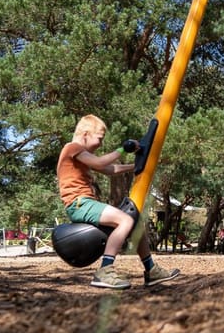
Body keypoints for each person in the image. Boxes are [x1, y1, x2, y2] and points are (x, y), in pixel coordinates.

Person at [57, 114, 179, 289]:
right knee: (125, 220)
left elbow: (109, 169)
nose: (101, 143)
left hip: (84, 203)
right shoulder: (72, 148)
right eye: (99, 138)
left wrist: (135, 167)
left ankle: (151, 270)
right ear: (85, 134)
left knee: (135, 223)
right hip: (79, 203)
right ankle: (104, 271)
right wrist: (122, 150)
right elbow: (100, 163)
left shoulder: (80, 154)